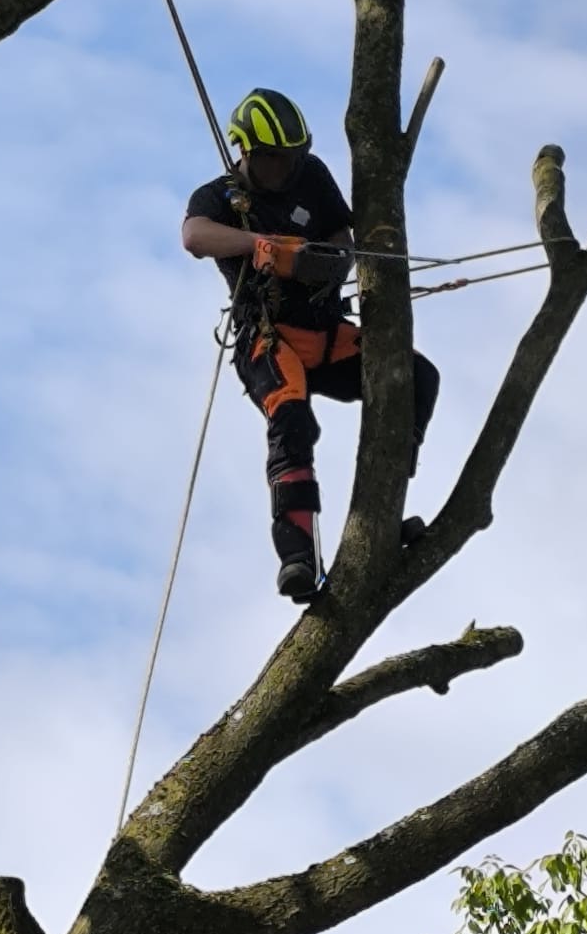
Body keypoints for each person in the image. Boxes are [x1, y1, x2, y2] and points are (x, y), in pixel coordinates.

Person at [182, 87, 440, 602]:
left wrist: (328, 259)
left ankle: (386, 513)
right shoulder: (221, 199)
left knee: (417, 377)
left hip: (324, 334)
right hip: (269, 341)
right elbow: (194, 236)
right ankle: (298, 558)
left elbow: (343, 236)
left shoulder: (312, 177)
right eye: (277, 159)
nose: (288, 167)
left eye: (295, 156)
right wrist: (262, 247)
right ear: (247, 153)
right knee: (293, 421)